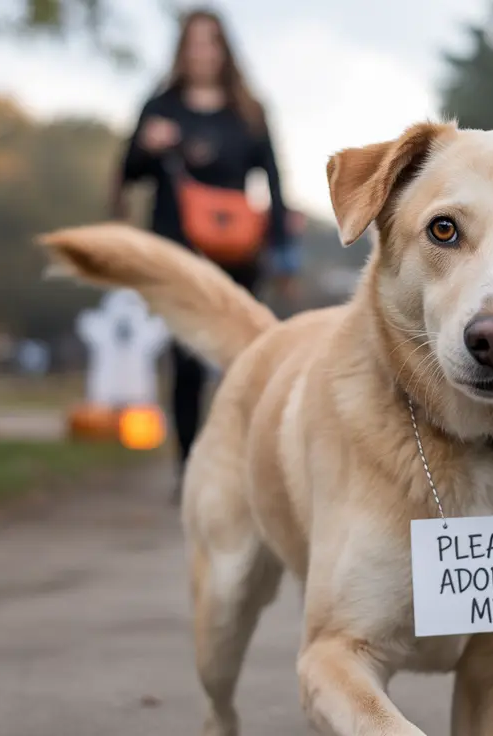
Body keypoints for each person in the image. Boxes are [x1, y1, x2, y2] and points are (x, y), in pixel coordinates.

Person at [110, 7, 299, 499]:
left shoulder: (248, 111)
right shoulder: (161, 106)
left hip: (237, 253)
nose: (202, 53)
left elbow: (274, 180)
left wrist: (281, 245)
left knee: (240, 357)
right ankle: (191, 466)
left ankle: (239, 462)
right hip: (177, 250)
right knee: (187, 359)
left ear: (224, 50)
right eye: (193, 43)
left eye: (210, 43)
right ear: (182, 51)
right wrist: (149, 147)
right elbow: (129, 174)